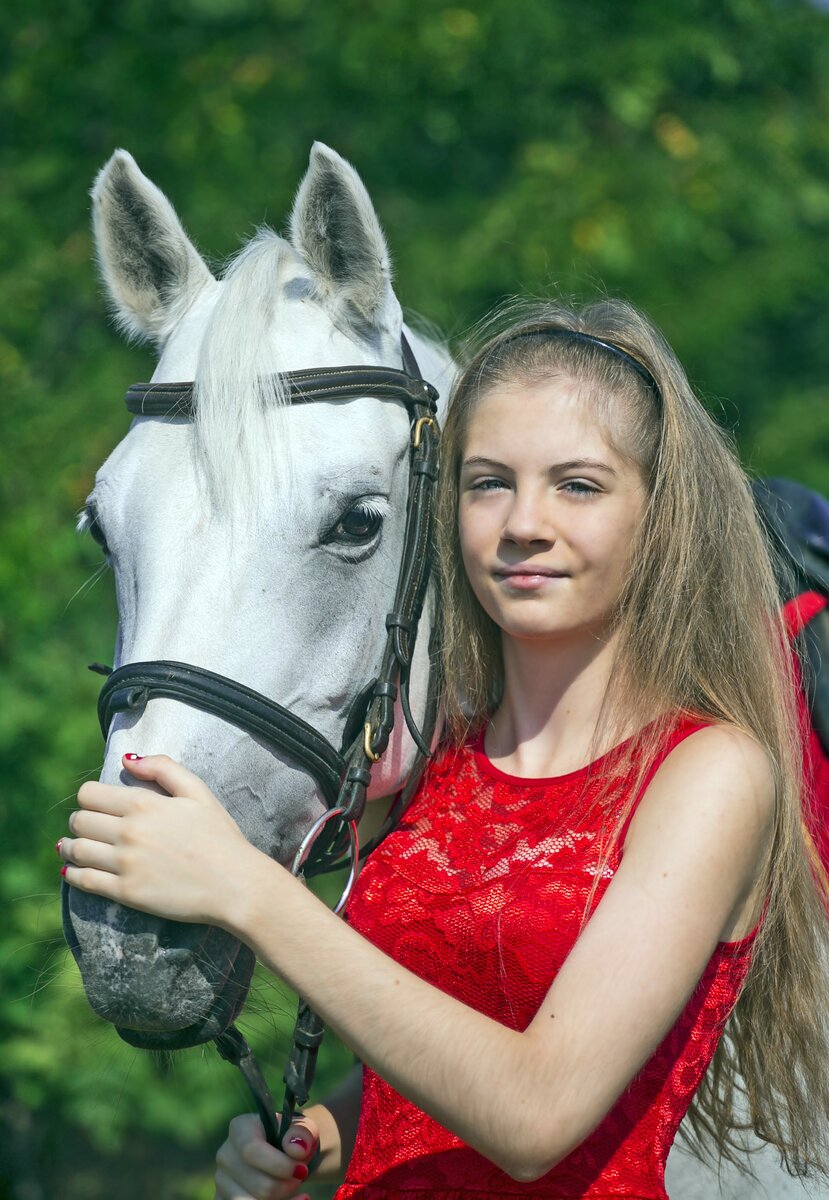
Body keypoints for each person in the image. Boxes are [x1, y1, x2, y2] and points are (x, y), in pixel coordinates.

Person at [59, 299, 829, 1199]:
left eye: (577, 486)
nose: (523, 522)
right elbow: (454, 1030)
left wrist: (249, 891)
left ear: (659, 515)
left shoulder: (709, 773)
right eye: (487, 482)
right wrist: (326, 1134)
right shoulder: (434, 763)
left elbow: (537, 1115)